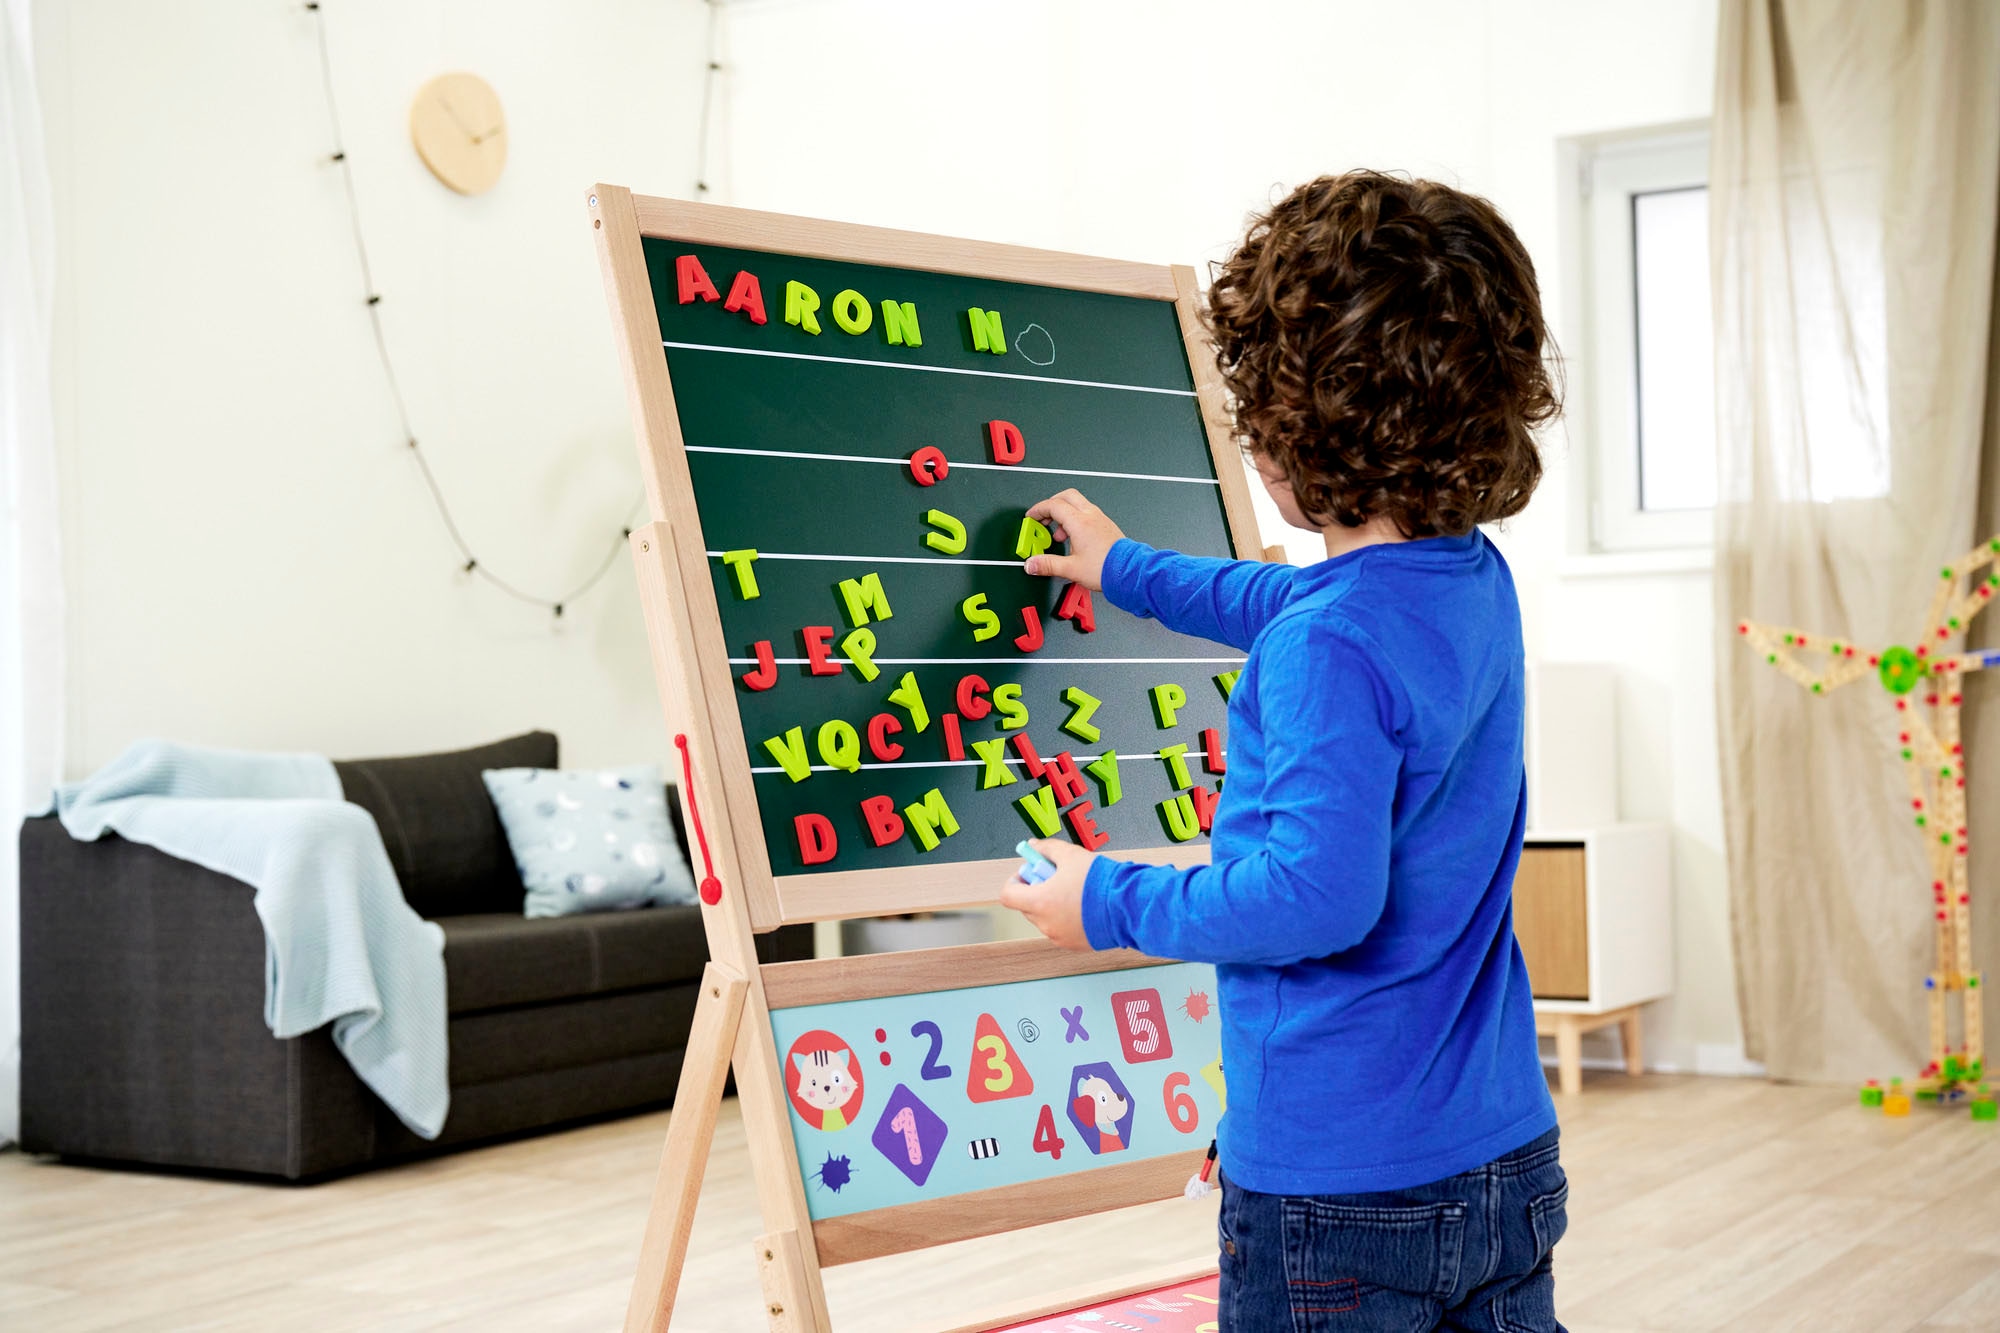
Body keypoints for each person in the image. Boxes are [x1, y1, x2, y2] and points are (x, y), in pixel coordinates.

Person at [1000, 171, 1568, 1332]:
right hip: (1498, 1151)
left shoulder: (1326, 645)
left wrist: (1105, 898)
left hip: (1341, 1187)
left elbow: (1315, 899)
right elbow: (1294, 602)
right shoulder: (1465, 583)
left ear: (1296, 429)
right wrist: (1125, 569)